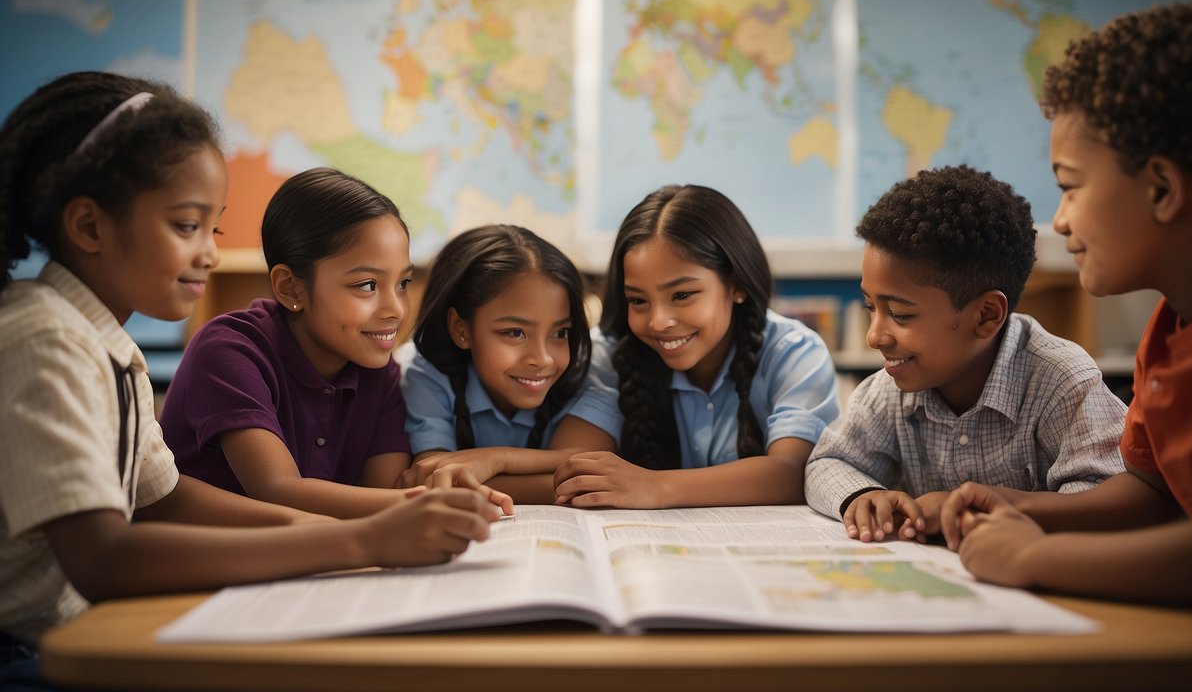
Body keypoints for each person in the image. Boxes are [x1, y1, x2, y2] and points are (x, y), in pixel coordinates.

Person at [0, 73, 499, 684]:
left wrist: (373, 529)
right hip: (27, 655)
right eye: (187, 227)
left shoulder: (105, 344)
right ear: (89, 226)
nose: (210, 253)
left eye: (214, 228)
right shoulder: (46, 337)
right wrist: (361, 542)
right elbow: (103, 557)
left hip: (79, 633)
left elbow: (166, 499)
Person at [939, 1, 1192, 608]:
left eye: (1069, 187)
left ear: (1162, 189)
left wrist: (1036, 556)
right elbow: (1152, 492)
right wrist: (1025, 506)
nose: (1060, 220)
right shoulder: (1170, 328)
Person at [160, 168, 511, 518]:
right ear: (290, 288)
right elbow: (276, 489)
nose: (396, 310)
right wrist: (436, 503)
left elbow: (383, 495)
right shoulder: (230, 351)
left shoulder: (378, 370)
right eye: (368, 285)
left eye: (403, 283)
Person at [803, 165, 1126, 542]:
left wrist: (982, 509)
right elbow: (829, 461)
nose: (875, 336)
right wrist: (861, 495)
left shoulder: (1061, 382)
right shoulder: (890, 388)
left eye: (901, 315)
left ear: (986, 316)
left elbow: (1109, 495)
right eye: (869, 308)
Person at [553, 184, 840, 508]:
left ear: (737, 285)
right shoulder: (607, 355)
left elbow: (792, 473)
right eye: (638, 300)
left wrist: (657, 487)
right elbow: (570, 471)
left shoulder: (794, 352)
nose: (659, 321)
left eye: (682, 295)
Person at [398, 224, 616, 503]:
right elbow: (436, 477)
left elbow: (583, 476)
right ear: (461, 329)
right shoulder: (426, 373)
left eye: (560, 333)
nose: (543, 359)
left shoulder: (590, 373)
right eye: (515, 332)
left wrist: (497, 459)